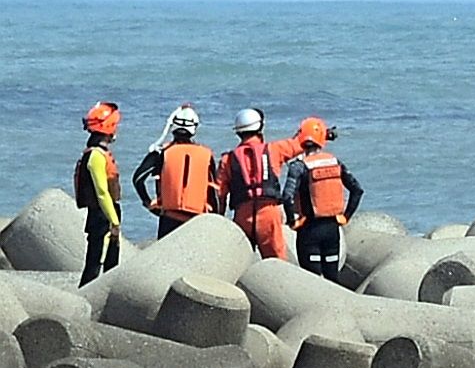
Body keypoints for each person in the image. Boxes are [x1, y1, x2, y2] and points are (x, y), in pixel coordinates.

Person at [215, 108, 304, 260]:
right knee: (277, 262)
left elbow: (219, 194)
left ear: (238, 132)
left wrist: (219, 221)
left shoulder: (228, 159)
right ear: (260, 128)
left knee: (239, 262)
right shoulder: (275, 150)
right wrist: (323, 134)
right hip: (269, 214)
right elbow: (299, 145)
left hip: (242, 216)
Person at [282, 117, 363, 283]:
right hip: (332, 230)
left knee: (312, 281)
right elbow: (357, 190)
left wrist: (292, 221)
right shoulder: (334, 162)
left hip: (308, 230)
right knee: (332, 278)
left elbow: (287, 196)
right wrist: (346, 216)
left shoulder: (299, 166)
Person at [132, 103, 218, 238]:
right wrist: (216, 220)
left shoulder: (162, 152)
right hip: (196, 220)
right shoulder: (206, 155)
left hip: (169, 219)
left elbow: (138, 179)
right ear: (194, 128)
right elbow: (214, 192)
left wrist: (148, 203)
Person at [74, 101, 122, 287]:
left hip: (104, 214)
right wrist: (114, 221)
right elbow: (102, 193)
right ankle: (87, 299)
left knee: (108, 262)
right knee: (96, 263)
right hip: (102, 216)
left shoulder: (97, 153)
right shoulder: (96, 156)